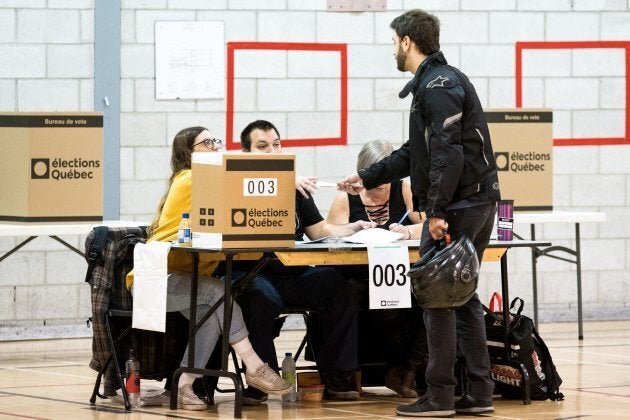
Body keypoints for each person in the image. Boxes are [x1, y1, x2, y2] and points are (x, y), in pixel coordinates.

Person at [338, 9, 501, 417]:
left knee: (439, 302)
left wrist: (437, 211)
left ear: (408, 41)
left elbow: (448, 154)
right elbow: (417, 154)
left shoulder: (436, 86)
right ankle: (479, 393)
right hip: (475, 202)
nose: (393, 49)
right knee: (462, 299)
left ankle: (440, 395)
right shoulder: (441, 81)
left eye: (394, 42)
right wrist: (366, 176)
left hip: (459, 205)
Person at [129, 126, 291, 411]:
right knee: (218, 293)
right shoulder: (190, 178)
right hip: (155, 278)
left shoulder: (199, 179)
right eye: (207, 143)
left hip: (189, 280)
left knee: (212, 312)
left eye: (215, 140)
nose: (215, 146)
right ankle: (254, 366)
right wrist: (287, 180)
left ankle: (183, 386)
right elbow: (238, 184)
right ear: (188, 153)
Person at [233, 119, 376, 404]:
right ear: (246, 153)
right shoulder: (238, 184)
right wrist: (283, 178)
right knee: (260, 296)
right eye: (262, 147)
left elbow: (319, 230)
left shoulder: (297, 190)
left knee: (339, 288)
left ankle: (337, 377)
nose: (273, 152)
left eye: (277, 145)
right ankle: (262, 379)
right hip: (254, 273)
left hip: (294, 273)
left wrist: (354, 228)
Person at [327, 139, 427, 398]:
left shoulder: (405, 189)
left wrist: (407, 230)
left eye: (387, 172)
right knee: (382, 302)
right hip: (360, 274)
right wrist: (353, 228)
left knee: (428, 298)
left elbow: (428, 224)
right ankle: (400, 368)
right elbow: (328, 235)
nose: (382, 180)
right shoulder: (346, 198)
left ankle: (409, 370)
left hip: (400, 272)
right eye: (375, 172)